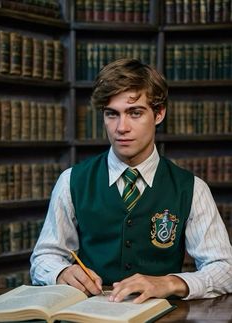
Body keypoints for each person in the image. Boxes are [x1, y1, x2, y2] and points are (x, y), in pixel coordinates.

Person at [30, 58, 232, 303]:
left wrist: (171, 282)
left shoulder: (192, 189)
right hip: (90, 315)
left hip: (161, 316)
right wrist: (61, 271)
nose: (121, 127)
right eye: (112, 114)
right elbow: (43, 257)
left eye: (135, 113)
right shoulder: (71, 181)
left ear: (159, 114)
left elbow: (225, 269)